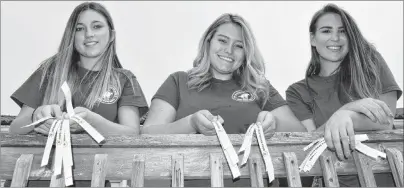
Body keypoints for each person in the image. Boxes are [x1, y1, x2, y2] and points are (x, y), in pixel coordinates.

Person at [142, 13, 307, 187]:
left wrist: (273, 122)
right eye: (222, 40)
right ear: (208, 42)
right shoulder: (179, 81)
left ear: (246, 53)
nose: (229, 50)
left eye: (239, 46)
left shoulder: (259, 87)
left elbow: (301, 134)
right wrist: (191, 123)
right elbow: (147, 135)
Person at [6, 2, 148, 186]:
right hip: (37, 179)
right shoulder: (50, 70)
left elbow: (131, 134)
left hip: (92, 179)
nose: (89, 34)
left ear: (111, 35)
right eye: (80, 28)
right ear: (71, 36)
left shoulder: (124, 79)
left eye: (97, 26)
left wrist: (91, 121)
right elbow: (16, 128)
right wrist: (37, 117)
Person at [286, 4, 402, 187]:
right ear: (312, 39)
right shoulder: (297, 91)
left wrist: (347, 117)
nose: (335, 38)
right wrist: (345, 109)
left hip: (385, 180)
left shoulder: (371, 64)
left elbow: (385, 119)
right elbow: (309, 143)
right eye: (326, 31)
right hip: (336, 181)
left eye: (342, 31)